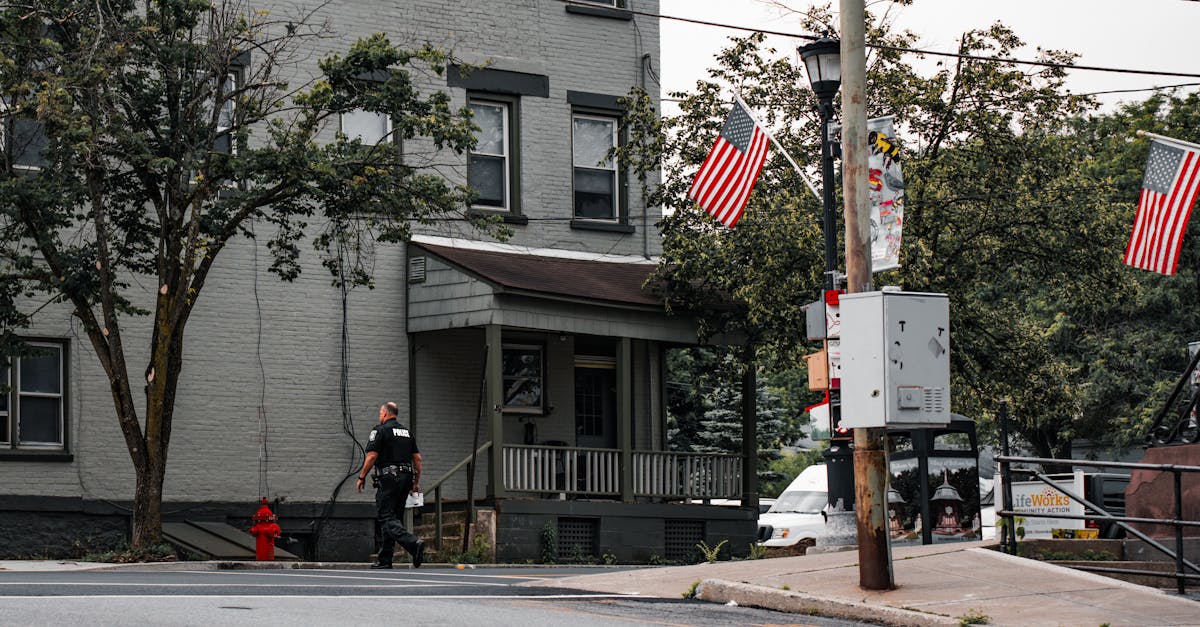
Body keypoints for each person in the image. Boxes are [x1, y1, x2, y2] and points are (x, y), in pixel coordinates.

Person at [356, 401, 425, 569]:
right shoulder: (407, 433)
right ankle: (385, 559)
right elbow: (418, 459)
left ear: (385, 414)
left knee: (386, 517)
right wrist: (416, 482)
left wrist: (362, 476)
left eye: (380, 413)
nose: (379, 416)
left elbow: (371, 456)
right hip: (406, 478)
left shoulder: (380, 430)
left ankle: (413, 543)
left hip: (389, 478)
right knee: (394, 518)